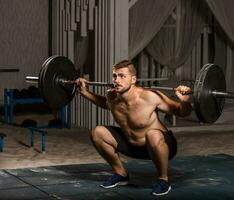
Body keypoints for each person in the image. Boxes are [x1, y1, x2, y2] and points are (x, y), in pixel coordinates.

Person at [76, 60, 192, 196]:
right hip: (133, 147)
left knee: (152, 134)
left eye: (122, 76)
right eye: (115, 76)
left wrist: (184, 102)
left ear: (133, 79)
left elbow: (181, 111)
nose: (116, 80)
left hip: (161, 145)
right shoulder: (111, 97)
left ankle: (163, 180)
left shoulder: (150, 96)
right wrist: (85, 92)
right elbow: (105, 103)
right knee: (97, 132)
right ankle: (121, 174)